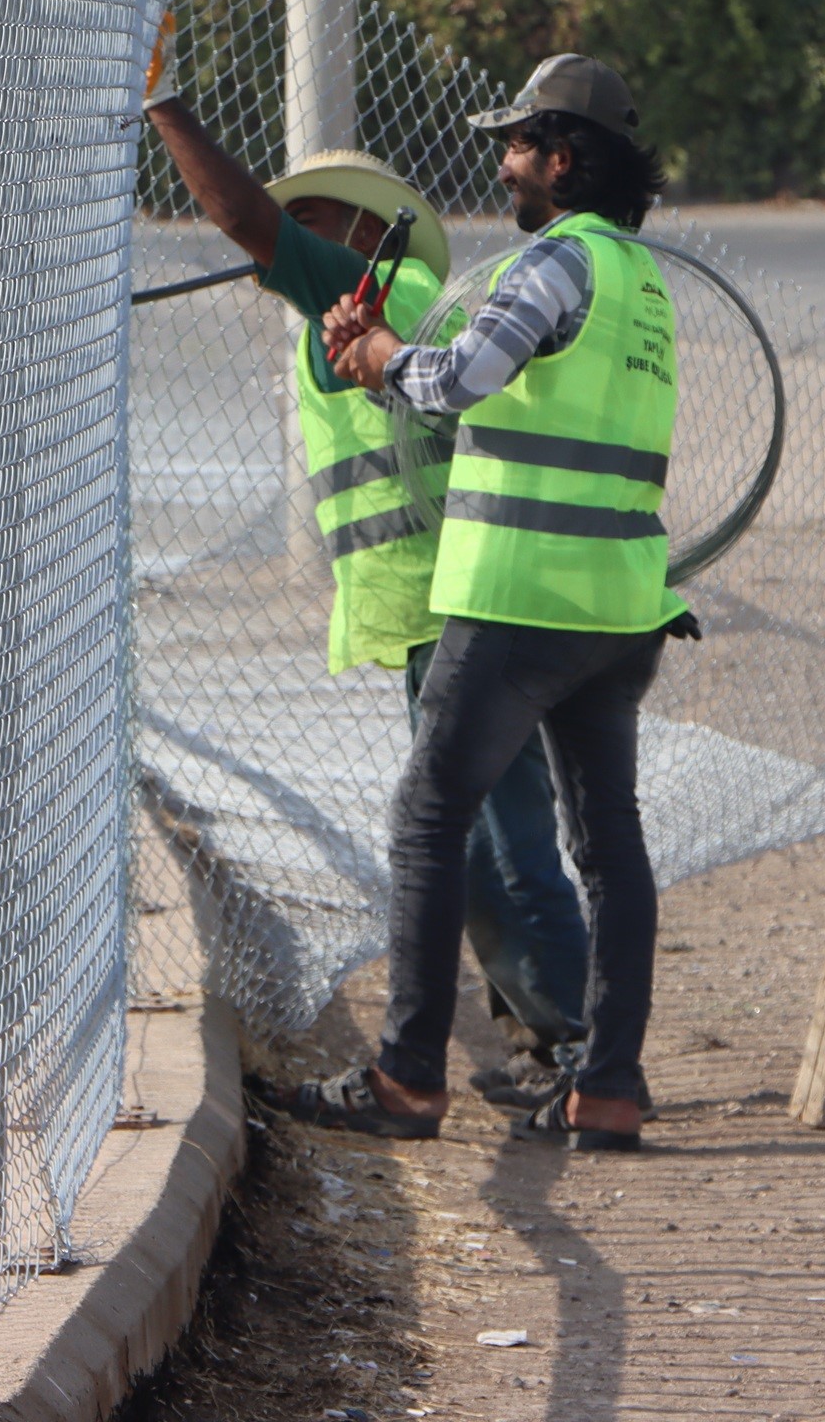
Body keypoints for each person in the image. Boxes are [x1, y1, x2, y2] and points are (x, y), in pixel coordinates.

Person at [142, 70, 595, 1105]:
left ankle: (574, 1044)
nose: (288, 231)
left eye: (313, 216)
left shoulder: (367, 287)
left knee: (501, 831)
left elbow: (241, 214)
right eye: (294, 218)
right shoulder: (349, 312)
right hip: (441, 604)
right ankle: (550, 1037)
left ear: (364, 230)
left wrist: (161, 101)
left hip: (463, 597)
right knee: (478, 834)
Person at [293, 54, 689, 1153]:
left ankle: (408, 1078)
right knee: (608, 842)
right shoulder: (642, 278)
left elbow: (462, 376)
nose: (504, 167)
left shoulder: (555, 258)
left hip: (521, 597)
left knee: (430, 815)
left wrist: (378, 358)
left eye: (516, 146)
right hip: (621, 604)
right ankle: (607, 1082)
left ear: (563, 159)